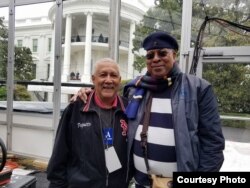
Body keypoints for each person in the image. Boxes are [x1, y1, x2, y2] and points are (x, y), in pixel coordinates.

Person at [74, 31, 225, 188]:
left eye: (162, 53)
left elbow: (213, 145)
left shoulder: (198, 89)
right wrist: (88, 93)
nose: (156, 59)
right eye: (150, 55)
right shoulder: (134, 89)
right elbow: (109, 98)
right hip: (140, 183)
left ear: (174, 55)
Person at [47, 58, 133, 188]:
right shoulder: (75, 109)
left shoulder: (129, 110)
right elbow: (59, 155)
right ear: (93, 79)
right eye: (103, 75)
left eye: (114, 75)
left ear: (119, 80)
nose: (108, 80)